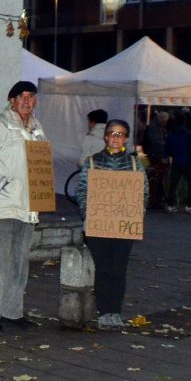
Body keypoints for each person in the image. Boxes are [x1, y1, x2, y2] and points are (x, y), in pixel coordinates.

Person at [0, 81, 46, 333]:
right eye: (21, 96)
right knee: (0, 262)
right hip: (4, 206)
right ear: (12, 100)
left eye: (31, 96)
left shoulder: (37, 129)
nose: (27, 100)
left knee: (20, 263)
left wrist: (42, 193)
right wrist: (3, 184)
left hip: (28, 207)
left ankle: (12, 311)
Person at [76, 119, 148, 330]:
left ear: (126, 138)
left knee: (118, 269)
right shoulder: (92, 162)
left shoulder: (134, 164)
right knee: (103, 268)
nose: (116, 138)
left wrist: (137, 215)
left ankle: (115, 311)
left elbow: (143, 192)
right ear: (106, 136)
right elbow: (82, 191)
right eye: (112, 133)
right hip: (98, 227)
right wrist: (89, 213)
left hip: (123, 227)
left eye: (120, 134)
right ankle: (103, 310)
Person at [164, 115, 191, 214]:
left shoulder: (171, 134)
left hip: (176, 161)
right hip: (188, 162)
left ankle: (171, 204)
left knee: (173, 184)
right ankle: (189, 205)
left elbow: (168, 149)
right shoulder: (189, 134)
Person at [143, 111, 169, 209]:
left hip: (154, 155)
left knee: (156, 178)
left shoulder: (153, 126)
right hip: (156, 156)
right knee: (157, 179)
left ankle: (155, 199)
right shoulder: (155, 128)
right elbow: (156, 142)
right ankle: (155, 200)